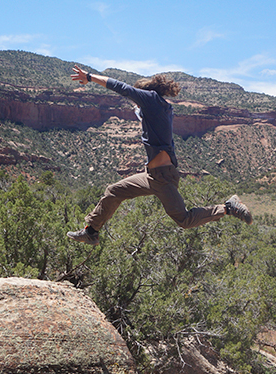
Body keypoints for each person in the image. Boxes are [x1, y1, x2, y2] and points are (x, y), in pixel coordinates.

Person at [66, 65, 252, 245]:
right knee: (114, 191)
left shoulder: (152, 100)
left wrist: (90, 77)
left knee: (184, 220)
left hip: (163, 177)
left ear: (143, 93)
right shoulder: (160, 107)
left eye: (137, 99)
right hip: (152, 176)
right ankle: (91, 232)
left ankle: (228, 208)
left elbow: (121, 87)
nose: (135, 102)